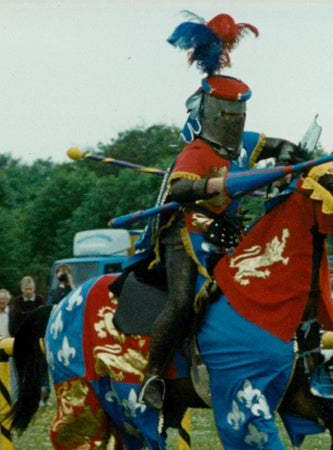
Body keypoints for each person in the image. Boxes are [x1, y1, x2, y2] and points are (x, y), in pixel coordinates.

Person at [133, 13, 304, 411]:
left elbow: (281, 145)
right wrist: (214, 185)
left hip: (228, 235)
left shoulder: (243, 144)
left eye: (239, 116)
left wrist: (287, 160)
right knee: (181, 301)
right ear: (211, 113)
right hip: (186, 236)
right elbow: (178, 189)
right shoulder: (197, 151)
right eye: (228, 115)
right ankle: (153, 375)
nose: (235, 122)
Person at [12, 276, 47, 403]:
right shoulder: (17, 301)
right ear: (22, 289)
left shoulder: (40, 299)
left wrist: (26, 315)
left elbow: (42, 316)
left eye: (30, 289)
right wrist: (32, 315)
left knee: (40, 368)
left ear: (34, 289)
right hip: (23, 339)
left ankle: (43, 397)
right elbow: (17, 319)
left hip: (38, 337)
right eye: (26, 289)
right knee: (25, 369)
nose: (28, 291)